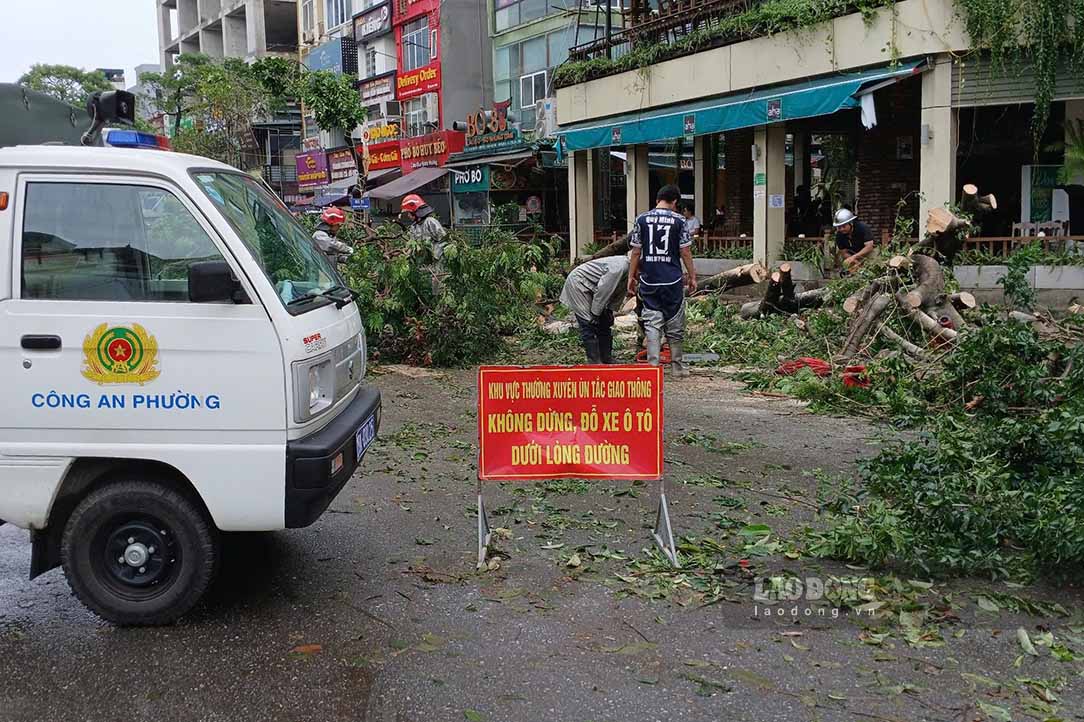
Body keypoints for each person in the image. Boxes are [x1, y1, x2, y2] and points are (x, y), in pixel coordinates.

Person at [627, 184, 697, 378]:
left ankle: (652, 367)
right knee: (675, 322)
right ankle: (677, 367)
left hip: (649, 280)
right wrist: (692, 276)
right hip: (672, 280)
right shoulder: (679, 220)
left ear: (658, 199)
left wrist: (631, 277)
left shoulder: (641, 219)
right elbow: (685, 251)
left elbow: (635, 252)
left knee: (652, 322)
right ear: (674, 201)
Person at [559, 255, 630, 364]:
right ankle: (594, 361)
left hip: (593, 288)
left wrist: (610, 309)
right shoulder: (619, 268)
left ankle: (606, 358)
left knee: (605, 322)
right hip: (578, 284)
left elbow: (620, 291)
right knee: (588, 323)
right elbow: (604, 290)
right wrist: (595, 313)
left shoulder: (629, 271)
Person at [400, 194, 447, 260]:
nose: (408, 215)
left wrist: (435, 255)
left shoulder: (430, 222)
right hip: (422, 262)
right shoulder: (414, 227)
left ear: (415, 212)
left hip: (436, 263)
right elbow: (413, 245)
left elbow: (443, 240)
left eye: (409, 213)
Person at [833, 208, 876, 272]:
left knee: (873, 267)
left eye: (844, 226)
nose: (841, 229)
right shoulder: (839, 235)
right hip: (854, 255)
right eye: (839, 227)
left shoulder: (862, 228)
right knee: (846, 263)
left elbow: (869, 247)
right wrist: (854, 261)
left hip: (868, 253)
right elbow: (844, 252)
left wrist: (854, 257)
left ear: (851, 223)